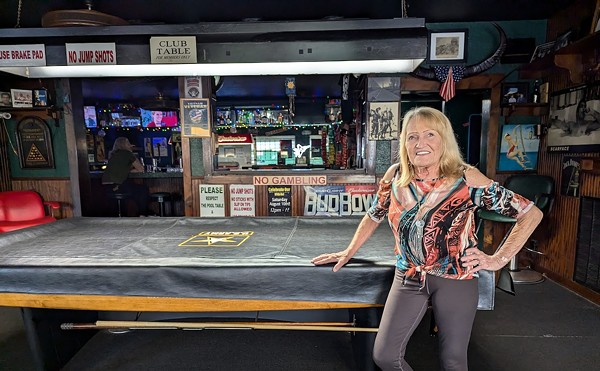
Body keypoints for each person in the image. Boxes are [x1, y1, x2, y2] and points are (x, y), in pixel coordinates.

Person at [311, 107, 543, 370]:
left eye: (429, 134)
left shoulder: (465, 178)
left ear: (444, 139)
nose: (420, 143)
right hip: (408, 276)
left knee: (453, 361)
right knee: (385, 356)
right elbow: (374, 214)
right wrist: (348, 251)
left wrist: (498, 259)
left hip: (455, 278)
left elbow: (530, 213)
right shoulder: (396, 175)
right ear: (404, 143)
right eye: (412, 137)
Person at [102, 137, 150, 216]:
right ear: (123, 145)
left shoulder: (112, 154)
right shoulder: (128, 154)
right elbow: (141, 169)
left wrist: (126, 171)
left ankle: (121, 215)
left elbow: (117, 169)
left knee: (134, 189)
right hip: (118, 185)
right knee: (143, 190)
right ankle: (143, 214)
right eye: (128, 143)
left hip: (106, 187)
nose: (130, 145)